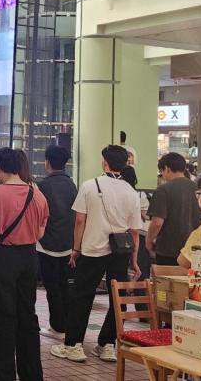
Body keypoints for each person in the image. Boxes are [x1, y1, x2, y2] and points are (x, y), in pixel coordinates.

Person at [52, 145, 142, 364]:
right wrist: (134, 258)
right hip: (120, 252)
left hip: (92, 250)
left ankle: (73, 345)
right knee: (116, 299)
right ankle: (107, 345)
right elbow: (135, 231)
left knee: (82, 296)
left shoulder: (90, 186)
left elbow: (80, 221)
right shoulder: (130, 191)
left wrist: (75, 249)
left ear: (105, 163)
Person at [0, 148, 49, 381]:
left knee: (2, 318)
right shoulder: (37, 194)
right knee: (27, 316)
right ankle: (32, 374)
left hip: (3, 258)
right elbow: (40, 232)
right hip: (29, 257)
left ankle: (3, 375)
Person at [36, 145, 77, 337]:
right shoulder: (72, 185)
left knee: (51, 286)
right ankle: (67, 323)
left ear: (47, 162)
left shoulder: (42, 186)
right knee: (63, 284)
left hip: (47, 244)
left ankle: (57, 326)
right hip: (67, 243)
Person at [148, 152, 201, 266]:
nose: (162, 175)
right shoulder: (198, 189)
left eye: (162, 171)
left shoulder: (163, 190)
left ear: (167, 169)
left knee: (166, 282)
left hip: (168, 249)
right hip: (193, 248)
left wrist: (149, 241)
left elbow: (157, 222)